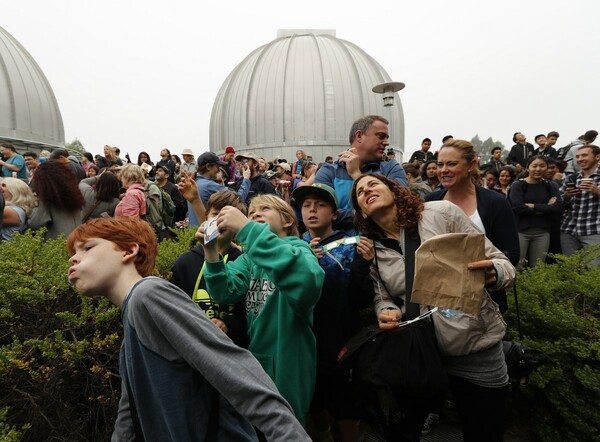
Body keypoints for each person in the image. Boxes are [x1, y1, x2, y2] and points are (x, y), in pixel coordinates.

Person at [66, 217, 309, 441]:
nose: (73, 258)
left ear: (130, 251)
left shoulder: (148, 294)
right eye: (73, 252)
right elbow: (129, 413)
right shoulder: (133, 311)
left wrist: (289, 435)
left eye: (87, 248)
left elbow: (230, 364)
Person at [351, 173, 515, 442]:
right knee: (409, 431)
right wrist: (385, 310)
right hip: (420, 355)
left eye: (373, 184)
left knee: (485, 430)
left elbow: (501, 261)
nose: (367, 189)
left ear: (394, 190)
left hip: (473, 344)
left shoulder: (441, 214)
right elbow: (382, 296)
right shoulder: (373, 251)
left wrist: (495, 272)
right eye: (360, 192)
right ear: (363, 213)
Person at [201, 194, 325, 425]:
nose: (255, 214)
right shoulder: (249, 259)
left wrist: (248, 229)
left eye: (265, 209)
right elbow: (224, 292)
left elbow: (307, 281)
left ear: (287, 220)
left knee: (289, 426)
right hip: (258, 360)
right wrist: (211, 252)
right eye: (251, 213)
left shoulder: (299, 249)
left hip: (290, 361)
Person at [292, 183, 374, 441]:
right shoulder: (293, 247)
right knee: (313, 400)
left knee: (344, 403)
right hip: (303, 342)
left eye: (321, 204)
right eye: (306, 205)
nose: (312, 210)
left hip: (341, 340)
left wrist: (363, 265)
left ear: (335, 214)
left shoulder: (352, 245)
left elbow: (361, 299)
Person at [426, 139, 519, 312]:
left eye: (451, 164)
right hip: (439, 300)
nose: (443, 170)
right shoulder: (430, 201)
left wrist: (492, 271)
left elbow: (511, 254)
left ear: (472, 164)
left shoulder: (496, 202)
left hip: (483, 303)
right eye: (440, 164)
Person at [170, 190, 248, 348]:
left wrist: (228, 324)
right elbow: (173, 308)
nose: (220, 221)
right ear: (205, 217)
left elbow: (250, 311)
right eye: (215, 214)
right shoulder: (185, 262)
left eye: (227, 217)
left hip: (234, 350)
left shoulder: (244, 262)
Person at [314, 115, 408, 228]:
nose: (386, 142)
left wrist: (357, 175)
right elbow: (323, 215)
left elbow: (403, 204)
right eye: (381, 136)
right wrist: (375, 215)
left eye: (387, 137)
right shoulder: (328, 172)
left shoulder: (391, 167)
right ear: (359, 136)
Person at [509, 156, 562, 268]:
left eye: (542, 166)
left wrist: (533, 206)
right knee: (517, 266)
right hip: (521, 231)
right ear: (528, 168)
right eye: (534, 166)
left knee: (538, 268)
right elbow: (519, 208)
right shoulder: (518, 185)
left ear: (547, 168)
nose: (538, 169)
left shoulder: (551, 185)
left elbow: (557, 207)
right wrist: (546, 208)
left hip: (543, 232)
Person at [187, 152, 251, 227]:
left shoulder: (195, 183)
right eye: (217, 166)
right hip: (205, 232)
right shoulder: (209, 185)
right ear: (208, 166)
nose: (219, 170)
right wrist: (246, 179)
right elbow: (238, 198)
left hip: (193, 231)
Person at [560, 144, 600, 258]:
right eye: (577, 157)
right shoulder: (571, 178)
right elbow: (557, 202)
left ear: (597, 157)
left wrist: (598, 191)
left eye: (584, 155)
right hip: (568, 229)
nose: (580, 159)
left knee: (593, 270)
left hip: (594, 230)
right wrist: (567, 196)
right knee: (570, 269)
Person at [29, 160, 85, 239]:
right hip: (78, 240)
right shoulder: (76, 196)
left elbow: (35, 224)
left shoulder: (46, 201)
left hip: (57, 245)